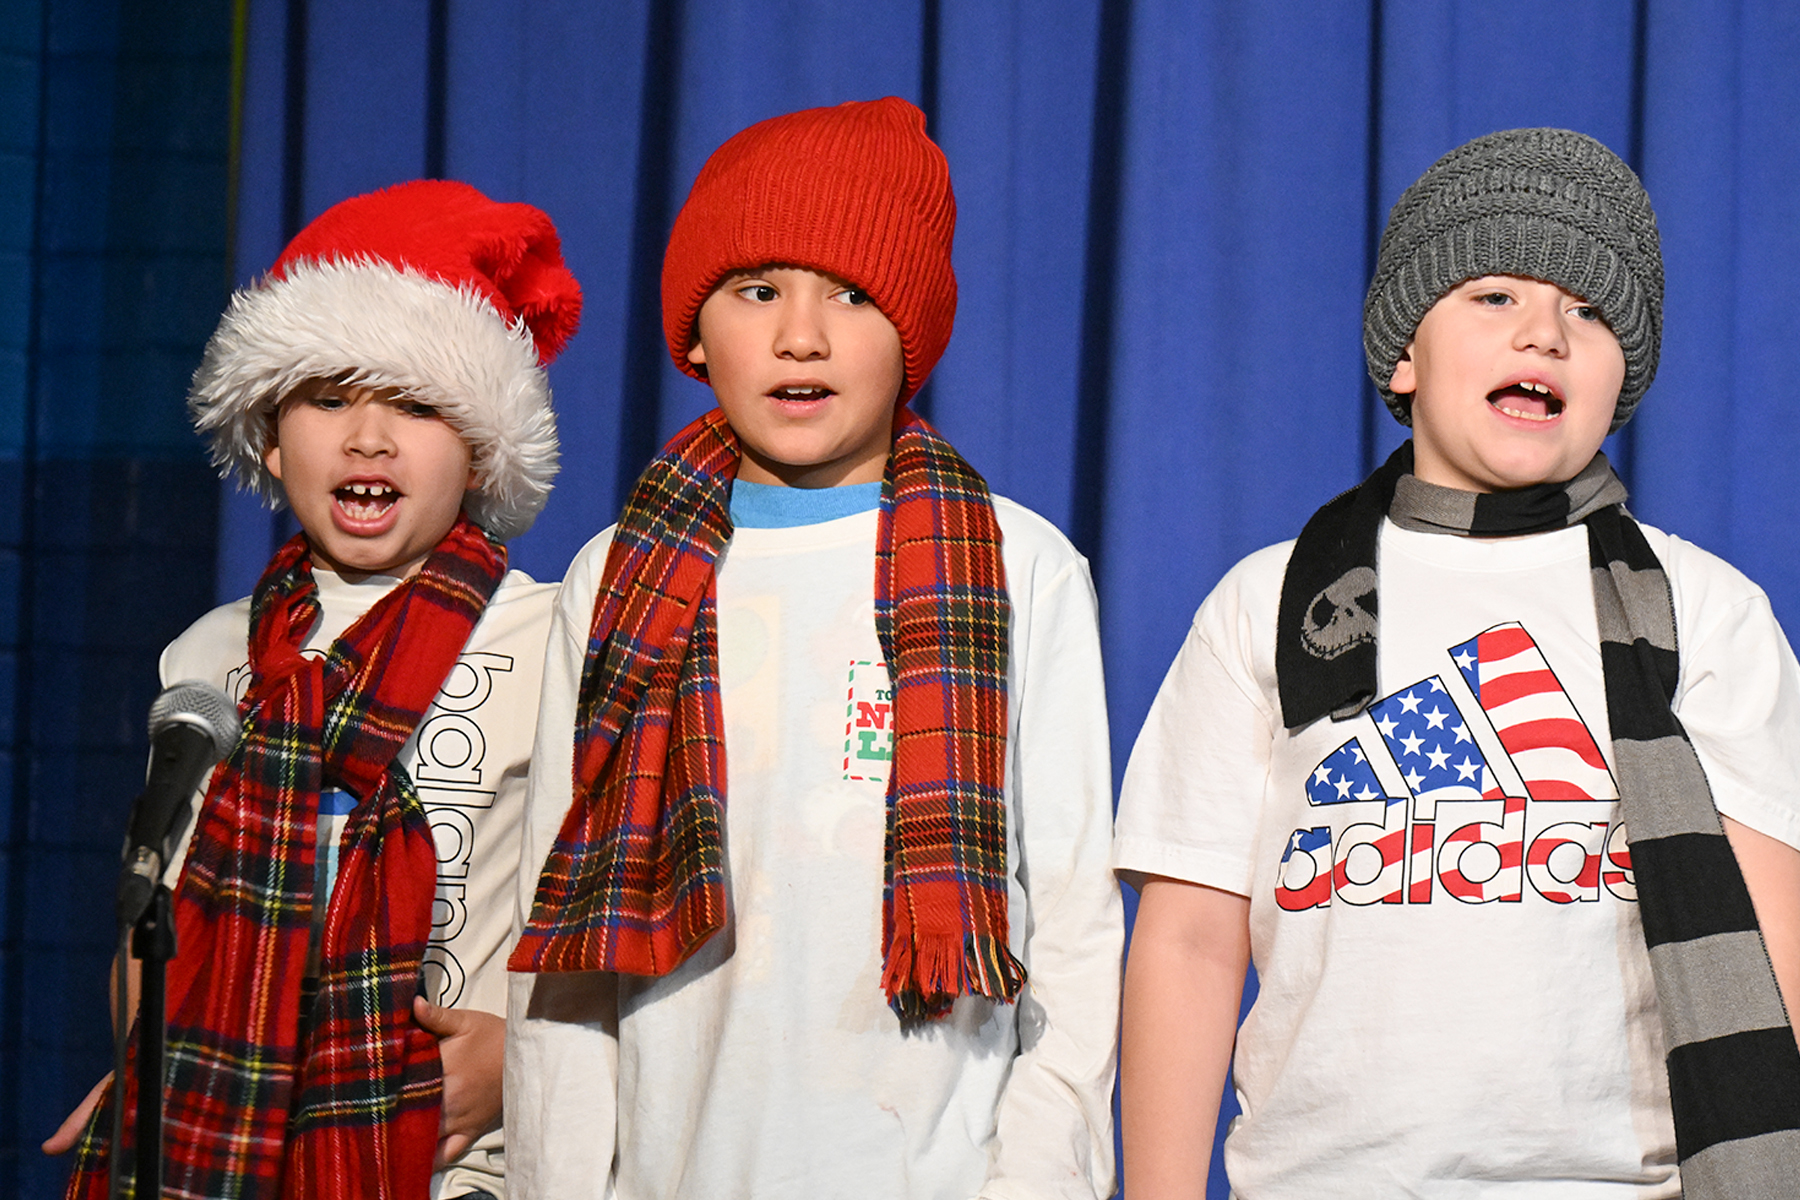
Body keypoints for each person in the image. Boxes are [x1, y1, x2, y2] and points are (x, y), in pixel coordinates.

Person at [1115, 128, 1800, 1199]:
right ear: (1404, 353)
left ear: (1624, 379)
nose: (1546, 334)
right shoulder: (1275, 600)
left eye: (1590, 311)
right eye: (1494, 297)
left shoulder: (1703, 609)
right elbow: (1192, 943)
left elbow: (1770, 941)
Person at [503, 97, 1121, 1199]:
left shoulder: (1021, 568)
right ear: (696, 334)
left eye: (854, 293)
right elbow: (564, 950)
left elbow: (1072, 930)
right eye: (758, 291)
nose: (803, 334)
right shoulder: (614, 578)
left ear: (913, 338)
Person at [53, 179, 583, 1200]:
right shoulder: (210, 655)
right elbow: (152, 919)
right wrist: (151, 1079)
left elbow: (620, 908)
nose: (369, 438)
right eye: (329, 399)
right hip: (236, 1152)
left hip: (458, 1163)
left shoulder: (557, 633)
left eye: (420, 405)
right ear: (266, 433)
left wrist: (515, 1055)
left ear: (479, 450)